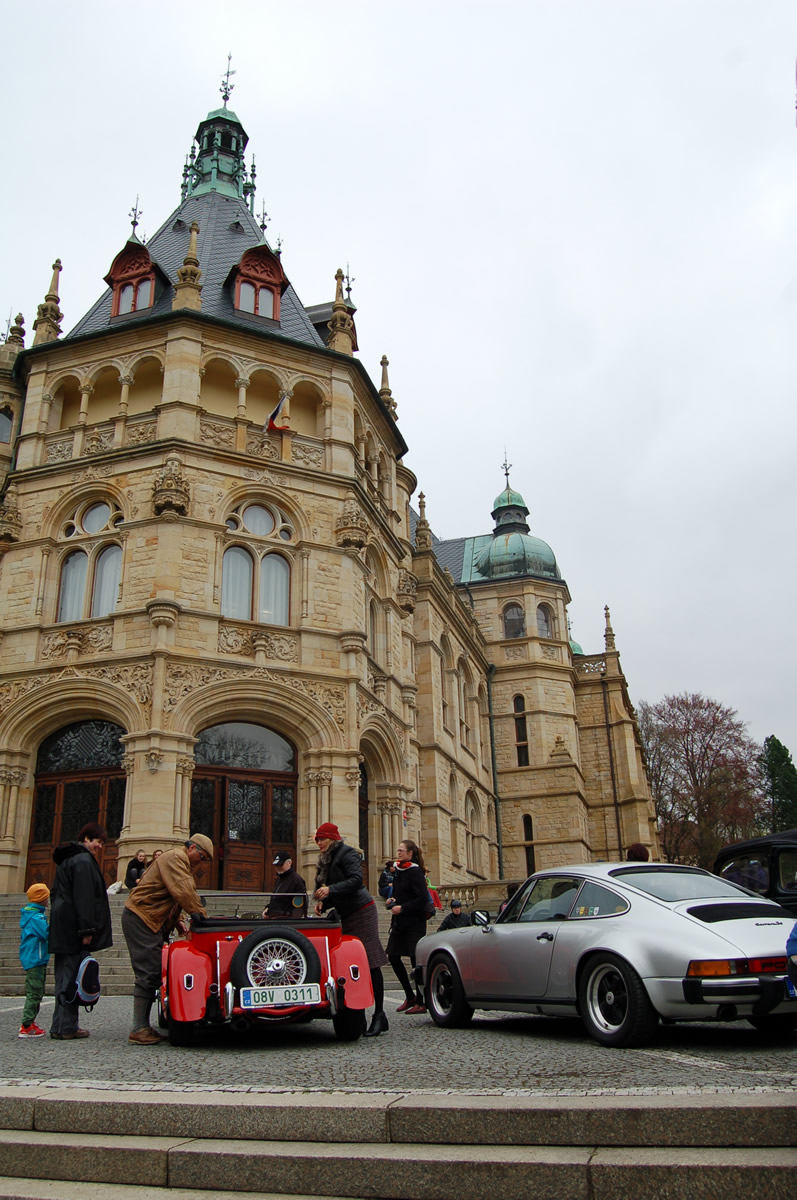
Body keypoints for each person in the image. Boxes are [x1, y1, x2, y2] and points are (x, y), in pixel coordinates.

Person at [122, 834, 213, 1045]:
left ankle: (142, 1027)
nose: (202, 862)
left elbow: (171, 895)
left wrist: (178, 921)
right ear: (192, 848)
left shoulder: (179, 860)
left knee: (152, 971)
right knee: (148, 971)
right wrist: (199, 914)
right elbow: (183, 889)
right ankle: (138, 1029)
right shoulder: (176, 857)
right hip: (142, 917)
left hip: (148, 918)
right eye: (202, 857)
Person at [312, 822, 389, 1038]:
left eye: (322, 839)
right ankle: (358, 1015)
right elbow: (337, 890)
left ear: (332, 838)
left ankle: (380, 1015)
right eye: (317, 840)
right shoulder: (327, 858)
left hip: (362, 911)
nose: (319, 843)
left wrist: (330, 890)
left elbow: (356, 881)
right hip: (346, 913)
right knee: (353, 964)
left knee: (370, 962)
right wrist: (324, 903)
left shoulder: (347, 853)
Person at [49, 822, 113, 1041]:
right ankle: (67, 1027)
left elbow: (56, 893)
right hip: (74, 928)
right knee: (71, 977)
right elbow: (84, 897)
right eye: (98, 841)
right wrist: (87, 929)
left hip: (62, 926)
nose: (100, 846)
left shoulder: (67, 859)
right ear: (86, 839)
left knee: (64, 976)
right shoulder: (83, 860)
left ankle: (60, 1025)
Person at [385, 839, 429, 1015]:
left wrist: (402, 908)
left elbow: (422, 899)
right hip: (399, 922)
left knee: (415, 961)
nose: (398, 852)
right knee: (393, 956)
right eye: (398, 850)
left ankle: (421, 1001)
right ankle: (410, 996)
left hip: (414, 923)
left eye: (401, 850)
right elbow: (399, 893)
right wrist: (392, 900)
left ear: (410, 853)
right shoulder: (399, 870)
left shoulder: (416, 871)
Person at [18, 884, 50, 1038]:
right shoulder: (36, 918)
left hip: (33, 958)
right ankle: (26, 1025)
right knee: (35, 992)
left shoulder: (32, 915)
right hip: (35, 959)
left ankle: (29, 1023)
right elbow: (47, 933)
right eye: (46, 897)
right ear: (41, 899)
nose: (48, 900)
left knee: (35, 991)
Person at [264, 852, 307, 919]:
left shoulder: (296, 880)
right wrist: (268, 908)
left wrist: (293, 920)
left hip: (285, 920)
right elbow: (277, 900)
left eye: (280, 865)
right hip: (274, 918)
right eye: (276, 865)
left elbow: (300, 905)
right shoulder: (279, 879)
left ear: (289, 863)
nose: (278, 867)